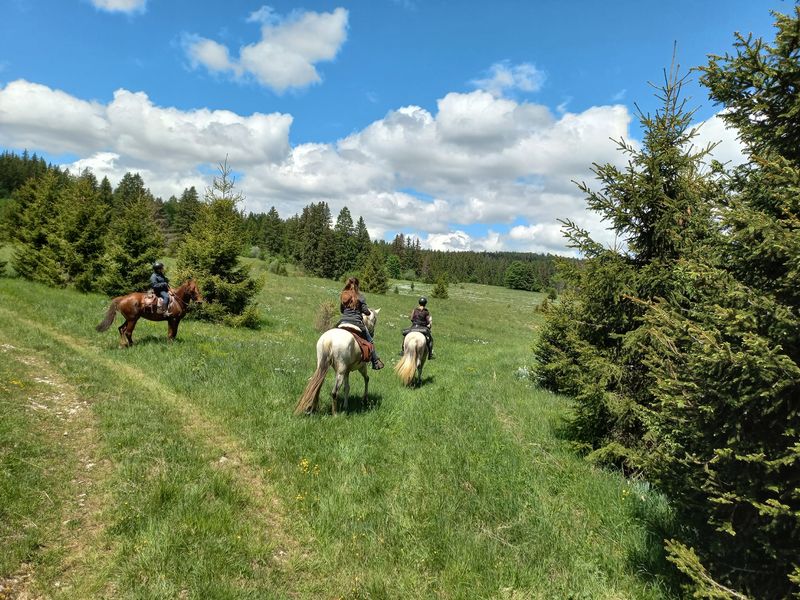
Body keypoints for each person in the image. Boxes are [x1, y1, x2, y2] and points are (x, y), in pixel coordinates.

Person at [339, 277, 384, 370]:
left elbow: (341, 310)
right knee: (370, 341)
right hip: (356, 322)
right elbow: (365, 311)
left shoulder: (344, 294)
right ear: (357, 285)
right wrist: (368, 312)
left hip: (343, 321)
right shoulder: (360, 296)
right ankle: (375, 362)